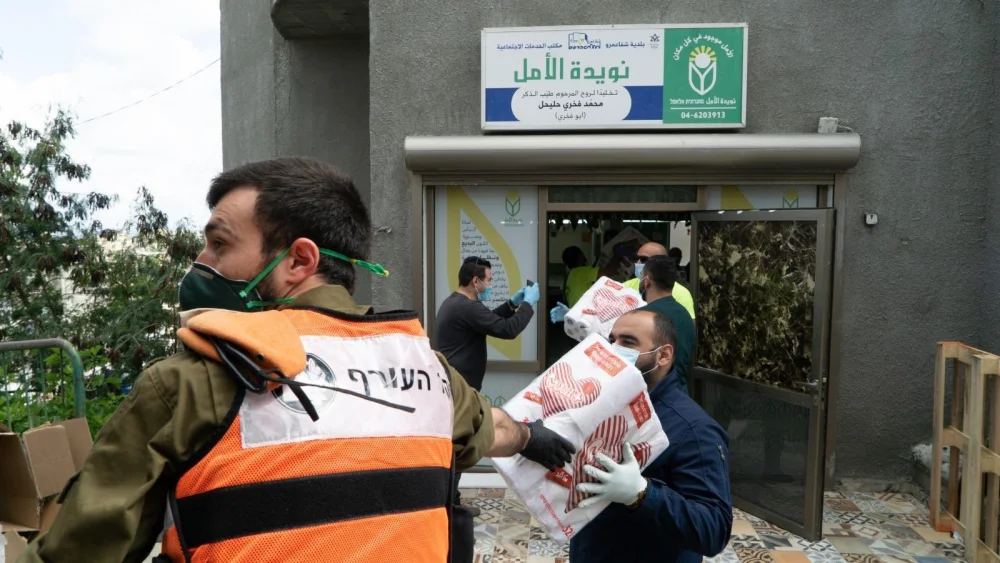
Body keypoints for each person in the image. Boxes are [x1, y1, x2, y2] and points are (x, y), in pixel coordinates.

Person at [18, 157, 575, 563]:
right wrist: (532, 438)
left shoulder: (190, 383)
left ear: (298, 261)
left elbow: (77, 551)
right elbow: (492, 427)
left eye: (219, 244)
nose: (201, 262)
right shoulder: (427, 370)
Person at [569, 309, 732, 563]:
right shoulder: (607, 405)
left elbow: (713, 529)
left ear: (663, 355)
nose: (613, 349)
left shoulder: (695, 430)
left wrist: (643, 494)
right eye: (612, 340)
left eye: (628, 342)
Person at [434, 256, 538, 392]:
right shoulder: (468, 307)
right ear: (476, 281)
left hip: (455, 385)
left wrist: (512, 304)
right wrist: (528, 304)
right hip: (459, 389)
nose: (490, 285)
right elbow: (508, 329)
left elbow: (489, 319)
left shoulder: (455, 302)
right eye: (488, 280)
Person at [637, 255, 696, 394]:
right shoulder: (685, 315)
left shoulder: (642, 317)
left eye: (641, 276)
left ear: (647, 281)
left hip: (653, 397)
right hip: (679, 393)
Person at [624, 242, 696, 321]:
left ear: (661, 262)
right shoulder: (625, 287)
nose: (637, 263)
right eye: (636, 258)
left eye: (643, 259)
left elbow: (685, 329)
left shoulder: (681, 294)